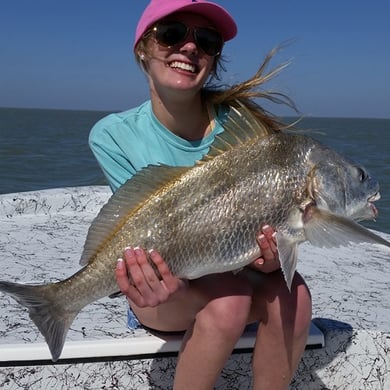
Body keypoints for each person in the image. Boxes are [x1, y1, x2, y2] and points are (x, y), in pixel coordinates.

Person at [89, 0, 312, 388]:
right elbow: (131, 226)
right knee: (227, 302)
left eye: (206, 41)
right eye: (172, 34)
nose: (190, 47)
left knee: (296, 296)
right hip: (165, 290)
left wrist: (270, 259)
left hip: (238, 270)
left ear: (213, 59)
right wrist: (147, 273)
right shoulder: (112, 135)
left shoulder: (245, 125)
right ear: (142, 47)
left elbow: (271, 228)